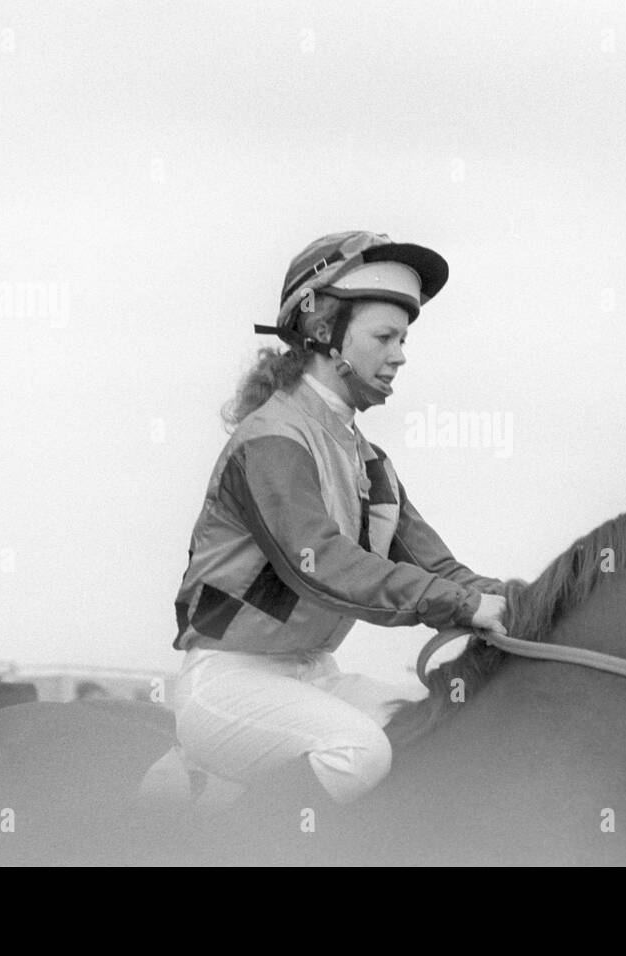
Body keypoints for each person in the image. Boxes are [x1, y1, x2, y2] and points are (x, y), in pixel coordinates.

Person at [145, 231, 508, 808]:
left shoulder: (367, 458)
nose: (401, 354)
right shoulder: (270, 439)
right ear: (324, 334)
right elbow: (321, 564)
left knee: (439, 722)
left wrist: (527, 604)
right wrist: (463, 606)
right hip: (229, 680)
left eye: (404, 338)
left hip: (310, 674)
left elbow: (437, 567)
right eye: (384, 337)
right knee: (361, 752)